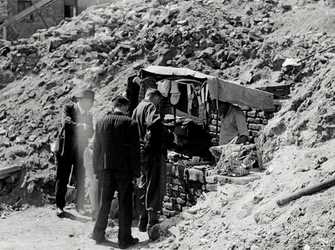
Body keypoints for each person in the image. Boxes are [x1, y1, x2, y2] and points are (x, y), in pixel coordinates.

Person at [92, 96, 140, 248]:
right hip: (124, 170)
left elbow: (97, 149)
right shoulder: (131, 123)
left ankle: (98, 234)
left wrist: (96, 169)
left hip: (105, 169)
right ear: (125, 107)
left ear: (114, 106)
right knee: (125, 204)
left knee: (104, 203)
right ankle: (124, 239)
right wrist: (136, 172)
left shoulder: (101, 122)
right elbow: (135, 151)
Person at [55, 88, 94, 217]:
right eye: (90, 101)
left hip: (80, 151)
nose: (91, 104)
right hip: (65, 150)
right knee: (62, 178)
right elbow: (66, 124)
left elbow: (91, 132)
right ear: (83, 101)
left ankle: (80, 206)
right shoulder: (69, 107)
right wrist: (82, 126)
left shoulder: (89, 115)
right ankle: (59, 206)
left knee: (81, 179)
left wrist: (77, 126)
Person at [132, 88, 164, 241]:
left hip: (139, 152)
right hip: (150, 152)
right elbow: (154, 124)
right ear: (153, 97)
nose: (159, 103)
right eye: (158, 99)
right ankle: (152, 223)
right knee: (153, 185)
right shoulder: (150, 106)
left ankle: (142, 221)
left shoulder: (136, 109)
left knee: (143, 185)